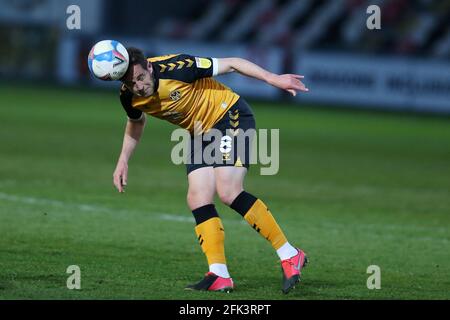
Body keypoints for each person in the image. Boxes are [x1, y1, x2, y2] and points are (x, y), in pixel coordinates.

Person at [112, 47, 309, 294]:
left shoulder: (178, 67)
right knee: (197, 198)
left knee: (228, 191)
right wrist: (123, 160)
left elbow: (234, 63)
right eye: (132, 84)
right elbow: (136, 122)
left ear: (149, 67)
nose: (139, 86)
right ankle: (219, 274)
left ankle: (290, 254)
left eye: (140, 78)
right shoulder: (128, 96)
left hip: (229, 115)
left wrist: (273, 78)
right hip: (198, 132)